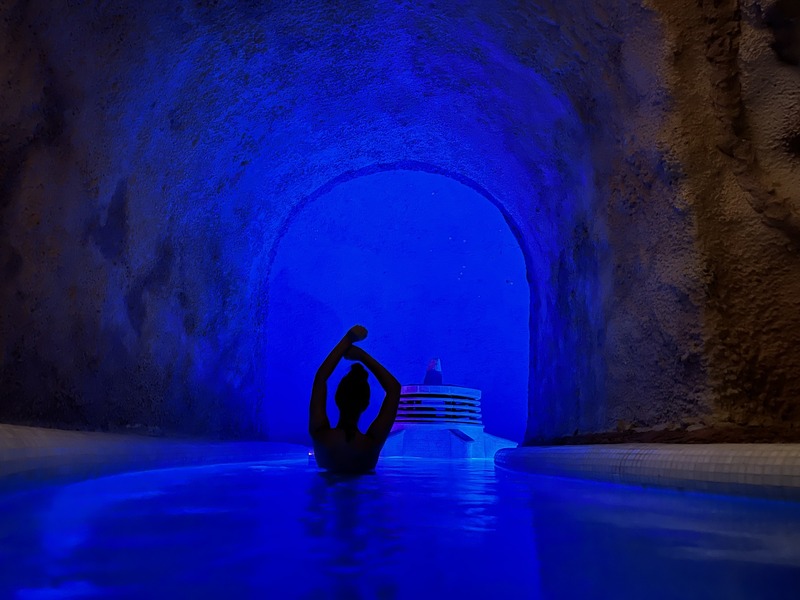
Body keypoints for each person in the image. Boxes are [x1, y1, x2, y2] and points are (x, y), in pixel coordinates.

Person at [309, 325, 401, 473]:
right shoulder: (371, 443)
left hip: (327, 495)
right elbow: (394, 389)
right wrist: (361, 355)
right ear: (365, 404)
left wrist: (347, 339)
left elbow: (320, 378)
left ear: (337, 398)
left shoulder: (321, 436)